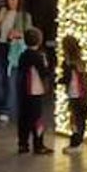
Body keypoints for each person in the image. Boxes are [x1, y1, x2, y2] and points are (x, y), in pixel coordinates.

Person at [0, 0, 32, 122]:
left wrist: (18, 34)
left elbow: (30, 34)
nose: (10, 2)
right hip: (0, 46)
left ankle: (6, 109)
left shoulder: (23, 16)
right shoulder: (3, 12)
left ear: (18, 0)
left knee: (10, 80)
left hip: (14, 48)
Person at [16, 27, 54, 155]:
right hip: (35, 90)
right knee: (37, 119)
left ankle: (23, 144)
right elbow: (44, 72)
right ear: (39, 40)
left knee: (24, 118)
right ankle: (38, 145)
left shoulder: (23, 55)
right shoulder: (38, 56)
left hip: (24, 90)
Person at [60, 35, 87, 155]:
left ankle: (76, 143)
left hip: (74, 93)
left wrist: (58, 81)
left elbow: (67, 79)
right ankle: (78, 142)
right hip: (82, 94)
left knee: (75, 119)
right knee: (80, 119)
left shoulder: (67, 63)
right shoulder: (80, 62)